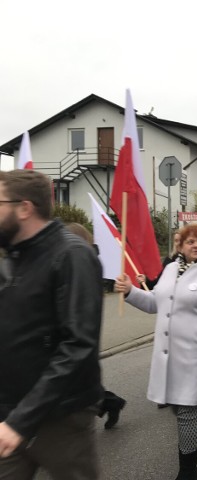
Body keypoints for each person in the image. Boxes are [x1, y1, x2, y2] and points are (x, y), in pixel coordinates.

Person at [114, 224, 197, 480]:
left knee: (186, 411)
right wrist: (130, 291)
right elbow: (155, 304)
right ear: (180, 247)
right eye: (189, 242)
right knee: (181, 404)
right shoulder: (171, 269)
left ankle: (188, 470)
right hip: (169, 355)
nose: (195, 245)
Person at [0, 170, 103, 479]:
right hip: (10, 413)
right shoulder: (13, 257)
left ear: (24, 208)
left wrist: (22, 421)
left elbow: (78, 345)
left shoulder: (72, 255)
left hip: (61, 418)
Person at [65, 222, 128, 429]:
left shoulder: (84, 262)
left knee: (77, 383)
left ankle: (109, 402)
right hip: (73, 333)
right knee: (76, 383)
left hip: (77, 333)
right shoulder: (77, 259)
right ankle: (110, 403)